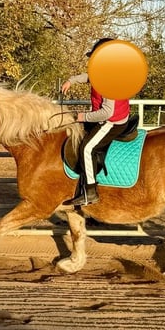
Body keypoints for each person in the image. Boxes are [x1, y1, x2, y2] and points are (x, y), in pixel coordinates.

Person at [61, 38, 130, 206]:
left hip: (112, 121)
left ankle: (90, 192)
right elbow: (89, 77)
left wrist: (82, 116)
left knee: (87, 148)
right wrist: (72, 80)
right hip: (108, 117)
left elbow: (107, 112)